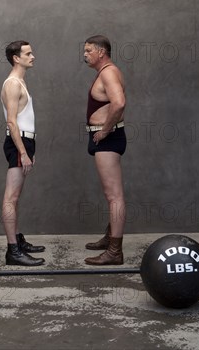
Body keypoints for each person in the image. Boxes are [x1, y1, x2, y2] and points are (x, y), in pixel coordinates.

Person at [1, 40, 45, 266]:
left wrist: (29, 150)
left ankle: (17, 240)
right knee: (11, 197)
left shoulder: (20, 82)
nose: (33, 56)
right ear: (16, 58)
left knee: (15, 198)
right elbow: (11, 122)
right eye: (28, 53)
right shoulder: (12, 84)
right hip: (19, 142)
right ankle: (13, 252)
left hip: (26, 142)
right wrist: (23, 152)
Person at [83, 35, 127, 265]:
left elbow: (119, 103)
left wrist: (105, 131)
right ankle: (110, 236)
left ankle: (114, 252)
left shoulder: (108, 72)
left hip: (107, 139)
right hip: (103, 137)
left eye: (89, 50)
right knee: (111, 195)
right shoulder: (106, 72)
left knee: (114, 196)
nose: (85, 54)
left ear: (102, 52)